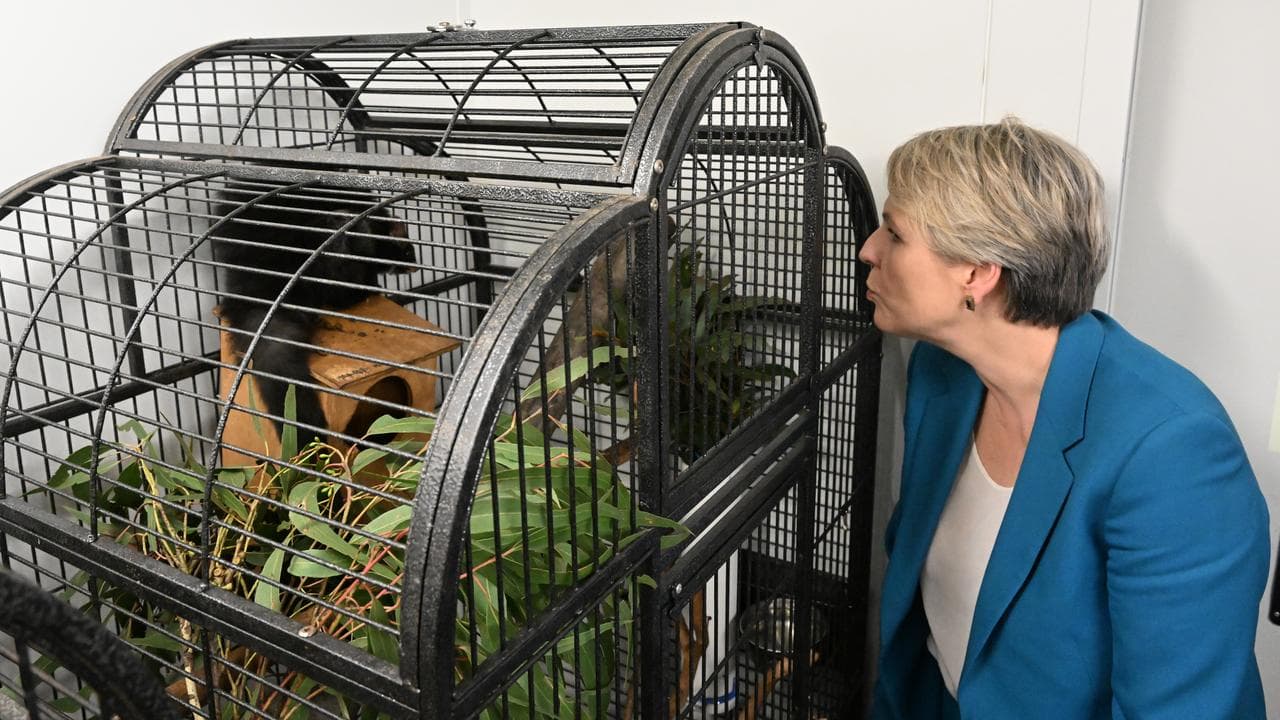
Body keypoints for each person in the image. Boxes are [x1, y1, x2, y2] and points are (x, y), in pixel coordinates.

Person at [863, 117, 1269, 719]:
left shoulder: (1173, 454)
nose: (868, 248)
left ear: (976, 273)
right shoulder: (941, 371)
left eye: (894, 234)